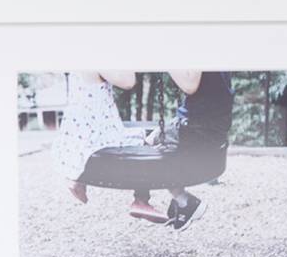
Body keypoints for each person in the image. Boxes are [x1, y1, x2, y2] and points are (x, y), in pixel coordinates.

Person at [127, 70, 233, 229]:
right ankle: (179, 201)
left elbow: (190, 86)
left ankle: (177, 201)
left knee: (146, 146)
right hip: (209, 125)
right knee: (153, 143)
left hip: (197, 125)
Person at [49, 71, 137, 209]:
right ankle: (144, 199)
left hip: (78, 129)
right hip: (99, 130)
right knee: (149, 141)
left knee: (145, 139)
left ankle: (75, 176)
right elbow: (128, 82)